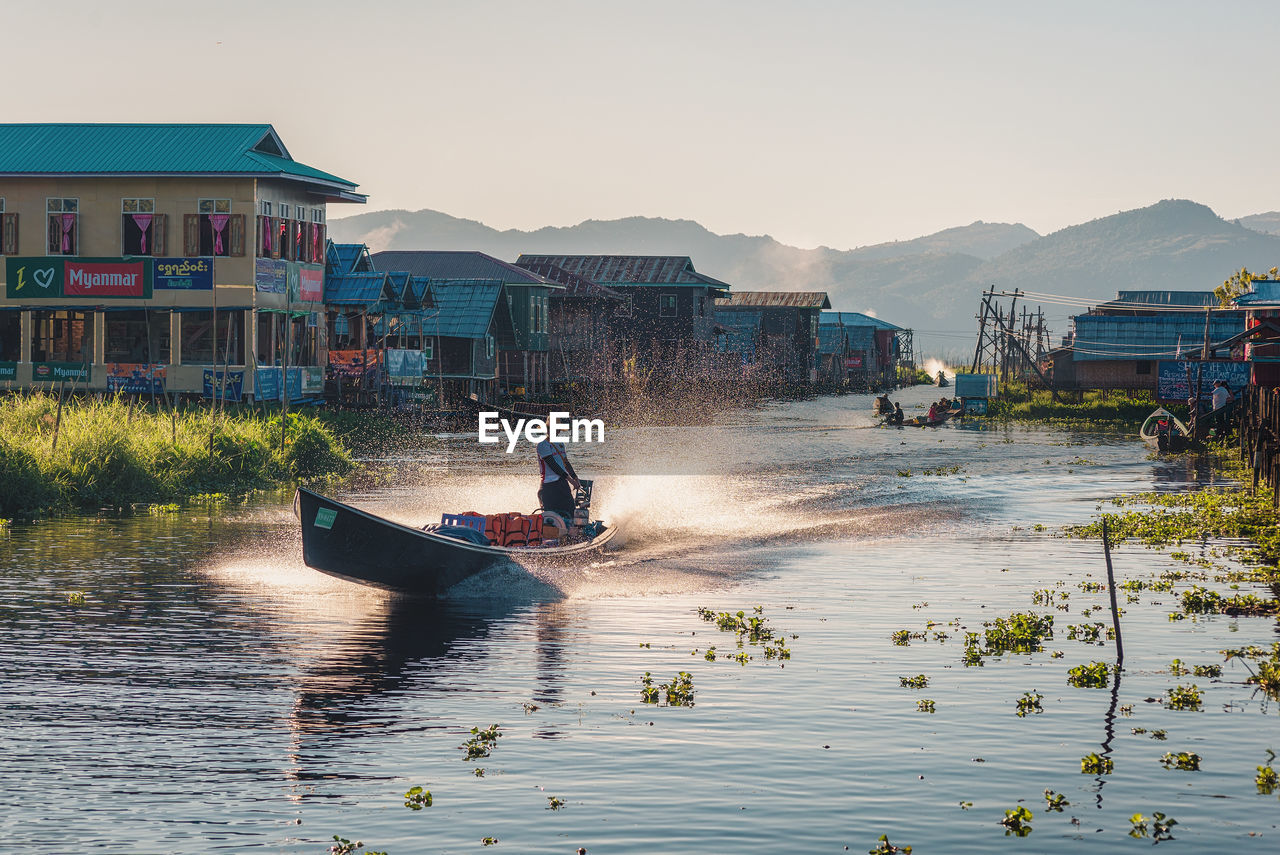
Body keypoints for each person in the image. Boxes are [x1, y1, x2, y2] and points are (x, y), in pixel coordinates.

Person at [536, 437, 581, 522]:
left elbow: (566, 463)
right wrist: (570, 480)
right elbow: (553, 465)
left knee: (571, 515)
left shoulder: (560, 444)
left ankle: (574, 532)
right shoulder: (542, 445)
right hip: (548, 487)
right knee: (550, 520)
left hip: (562, 484)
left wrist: (575, 477)